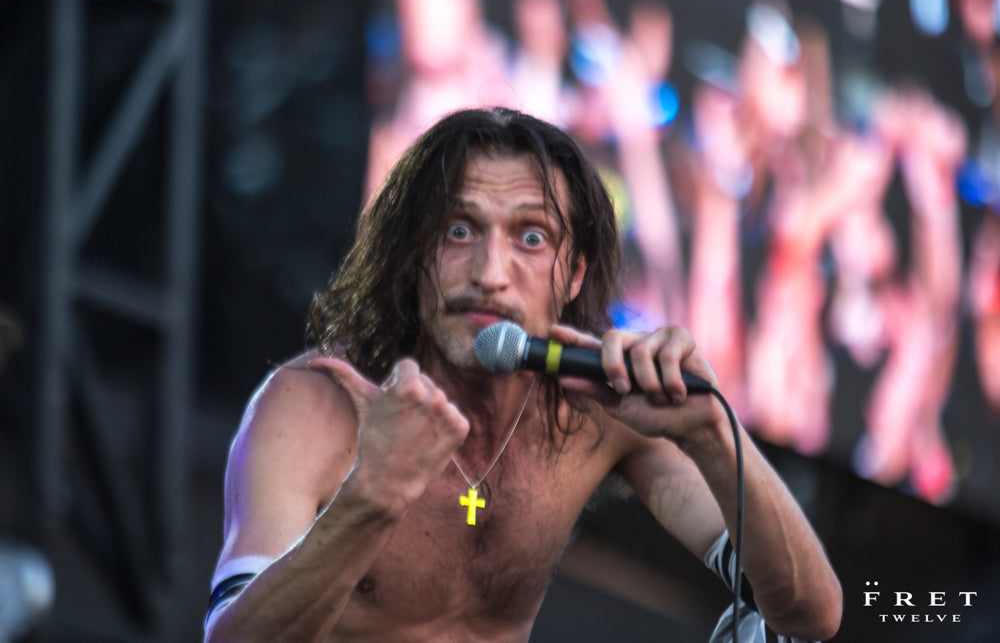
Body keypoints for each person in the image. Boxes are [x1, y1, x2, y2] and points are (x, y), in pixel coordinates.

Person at [203, 107, 842, 642]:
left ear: (575, 275)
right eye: (458, 230)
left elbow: (808, 615)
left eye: (531, 238)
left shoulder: (598, 411)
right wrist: (371, 496)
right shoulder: (318, 405)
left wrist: (710, 433)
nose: (489, 272)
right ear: (411, 254)